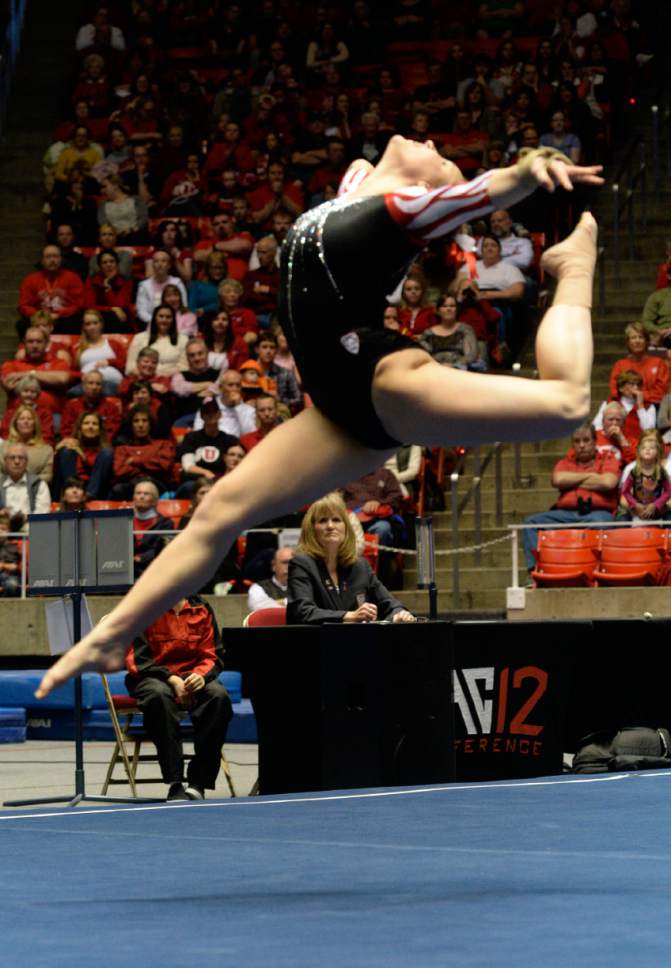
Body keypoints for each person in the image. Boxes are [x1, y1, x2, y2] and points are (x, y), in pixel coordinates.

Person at [37, 140, 603, 696]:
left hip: (383, 381)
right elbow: (368, 169)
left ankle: (573, 267)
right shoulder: (357, 187)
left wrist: (530, 167)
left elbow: (482, 192)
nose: (429, 140)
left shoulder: (405, 209)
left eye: (441, 154)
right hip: (335, 408)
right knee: (217, 511)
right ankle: (114, 634)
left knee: (567, 403)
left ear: (429, 184)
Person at [125, 595, 232, 801]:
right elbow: (137, 660)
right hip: (152, 676)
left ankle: (198, 782)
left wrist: (200, 677)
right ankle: (175, 782)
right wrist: (172, 679)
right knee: (159, 697)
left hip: (193, 675)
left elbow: (213, 653)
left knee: (218, 697)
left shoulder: (201, 608)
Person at [287, 493, 414, 624]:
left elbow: (389, 603)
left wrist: (399, 613)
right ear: (312, 530)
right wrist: (349, 616)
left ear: (346, 528)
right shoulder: (302, 564)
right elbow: (302, 612)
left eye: (336, 520)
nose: (330, 526)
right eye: (323, 520)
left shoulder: (360, 566)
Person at [522, 424, 619, 573]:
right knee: (530, 523)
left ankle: (597, 569)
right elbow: (557, 480)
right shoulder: (565, 462)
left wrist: (573, 481)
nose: (581, 445)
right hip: (565, 515)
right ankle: (536, 570)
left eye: (586, 440)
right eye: (577, 441)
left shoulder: (607, 459)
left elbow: (608, 482)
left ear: (595, 442)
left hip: (597, 514)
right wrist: (591, 477)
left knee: (603, 522)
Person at [176, 398, 240, 497]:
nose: (211, 415)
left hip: (222, 481)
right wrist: (206, 472)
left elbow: (235, 463)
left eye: (214, 412)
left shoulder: (230, 440)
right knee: (189, 487)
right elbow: (188, 466)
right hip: (196, 481)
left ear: (220, 415)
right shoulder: (191, 438)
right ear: (202, 416)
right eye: (207, 412)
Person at [111, 405, 175, 499]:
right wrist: (149, 463)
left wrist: (135, 461)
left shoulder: (163, 444)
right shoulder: (122, 448)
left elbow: (164, 465)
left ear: (150, 424)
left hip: (156, 484)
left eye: (144, 421)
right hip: (129, 487)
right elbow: (119, 471)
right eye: (136, 421)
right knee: (117, 489)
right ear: (131, 425)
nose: (140, 425)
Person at [17, 246, 84, 333]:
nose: (52, 260)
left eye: (55, 256)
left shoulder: (73, 278)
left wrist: (60, 314)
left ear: (61, 259)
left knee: (77, 322)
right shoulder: (30, 280)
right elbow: (23, 305)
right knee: (22, 324)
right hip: (38, 318)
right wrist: (39, 315)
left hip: (63, 319)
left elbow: (78, 304)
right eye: (48, 257)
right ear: (42, 261)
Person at [609, 321, 670, 405]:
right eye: (633, 337)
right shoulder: (619, 365)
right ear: (628, 342)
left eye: (640, 337)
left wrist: (638, 395)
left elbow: (661, 393)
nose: (637, 341)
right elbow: (614, 391)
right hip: (625, 408)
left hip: (653, 407)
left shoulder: (659, 363)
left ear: (646, 341)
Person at [56, 411, 114, 500]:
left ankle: (89, 495)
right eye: (86, 423)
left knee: (107, 453)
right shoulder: (72, 446)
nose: (90, 427)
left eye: (94, 424)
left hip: (98, 491)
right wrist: (58, 449)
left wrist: (83, 456)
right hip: (75, 486)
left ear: (100, 429)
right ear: (80, 428)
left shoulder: (105, 450)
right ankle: (73, 492)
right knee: (66, 451)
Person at [617, 430, 671, 522]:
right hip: (635, 510)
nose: (648, 449)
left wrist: (657, 507)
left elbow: (668, 492)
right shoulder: (632, 469)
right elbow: (624, 496)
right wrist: (636, 507)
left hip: (663, 510)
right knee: (621, 516)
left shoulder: (666, 469)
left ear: (660, 446)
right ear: (639, 448)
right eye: (645, 446)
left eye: (652, 445)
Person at [125, 306, 189, 378]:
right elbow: (130, 366)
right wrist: (146, 379)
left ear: (173, 320)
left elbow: (184, 367)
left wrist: (162, 377)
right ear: (154, 318)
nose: (164, 320)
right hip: (143, 379)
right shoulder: (139, 337)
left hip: (173, 379)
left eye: (168, 317)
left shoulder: (183, 339)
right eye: (161, 316)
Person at [0, 442, 51, 531]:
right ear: (5, 461)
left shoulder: (38, 484)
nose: (17, 461)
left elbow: (42, 514)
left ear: (26, 462)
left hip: (31, 531)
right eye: (12, 458)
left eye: (21, 458)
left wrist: (26, 518)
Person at [60, 369, 123, 441]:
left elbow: (111, 432)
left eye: (98, 384)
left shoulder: (112, 408)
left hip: (102, 445)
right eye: (90, 383)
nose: (94, 387)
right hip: (76, 444)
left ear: (102, 387)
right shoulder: (71, 406)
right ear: (83, 386)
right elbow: (66, 430)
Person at [73, 310, 126, 395]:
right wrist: (82, 375)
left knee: (105, 391)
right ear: (83, 327)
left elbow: (124, 365)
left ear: (101, 324)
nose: (92, 327)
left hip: (111, 382)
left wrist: (109, 362)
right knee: (72, 392)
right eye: (88, 324)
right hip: (87, 385)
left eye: (95, 323)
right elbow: (72, 372)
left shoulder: (113, 344)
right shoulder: (77, 348)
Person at [192, 370, 256, 437]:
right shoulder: (207, 408)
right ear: (221, 388)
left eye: (238, 385)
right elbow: (197, 435)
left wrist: (239, 407)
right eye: (230, 385)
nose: (235, 389)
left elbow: (250, 436)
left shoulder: (249, 411)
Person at [132, 478, 174, 578]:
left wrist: (140, 558)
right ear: (133, 497)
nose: (141, 497)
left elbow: (162, 549)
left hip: (154, 569)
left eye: (146, 494)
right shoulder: (123, 522)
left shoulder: (165, 523)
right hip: (126, 568)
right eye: (138, 493)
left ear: (155, 500)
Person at [0, 406, 54, 483]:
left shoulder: (46, 450)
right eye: (22, 419)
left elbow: (47, 476)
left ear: (35, 423)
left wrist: (25, 483)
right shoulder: (4, 447)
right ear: (16, 423)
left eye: (29, 419)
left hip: (33, 490)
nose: (26, 421)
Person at [135, 251, 188, 327]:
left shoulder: (177, 283)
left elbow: (184, 306)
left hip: (176, 324)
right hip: (151, 325)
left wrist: (171, 322)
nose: (160, 264)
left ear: (169, 265)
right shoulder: (144, 285)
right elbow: (141, 312)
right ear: (153, 265)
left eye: (163, 261)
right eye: (156, 261)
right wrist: (157, 322)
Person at [247, 546, 294, 612]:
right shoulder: (258, 587)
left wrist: (283, 602)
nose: (289, 566)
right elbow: (261, 609)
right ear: (273, 565)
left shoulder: (306, 586)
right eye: (285, 562)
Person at [0, 508, 21, 596]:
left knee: (12, 585)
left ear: (8, 531)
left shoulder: (14, 546)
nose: (0, 532)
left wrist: (3, 565)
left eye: (3, 529)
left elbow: (16, 567)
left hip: (10, 577)